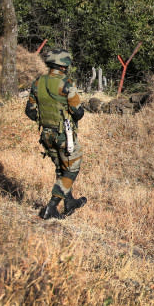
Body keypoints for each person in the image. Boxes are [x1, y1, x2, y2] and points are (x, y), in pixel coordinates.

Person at [25, 49, 87, 220]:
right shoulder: (66, 84)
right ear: (64, 66)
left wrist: (46, 121)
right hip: (64, 136)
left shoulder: (38, 83)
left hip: (46, 135)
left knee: (61, 168)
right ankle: (51, 207)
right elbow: (78, 113)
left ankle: (69, 202)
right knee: (72, 168)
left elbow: (29, 112)